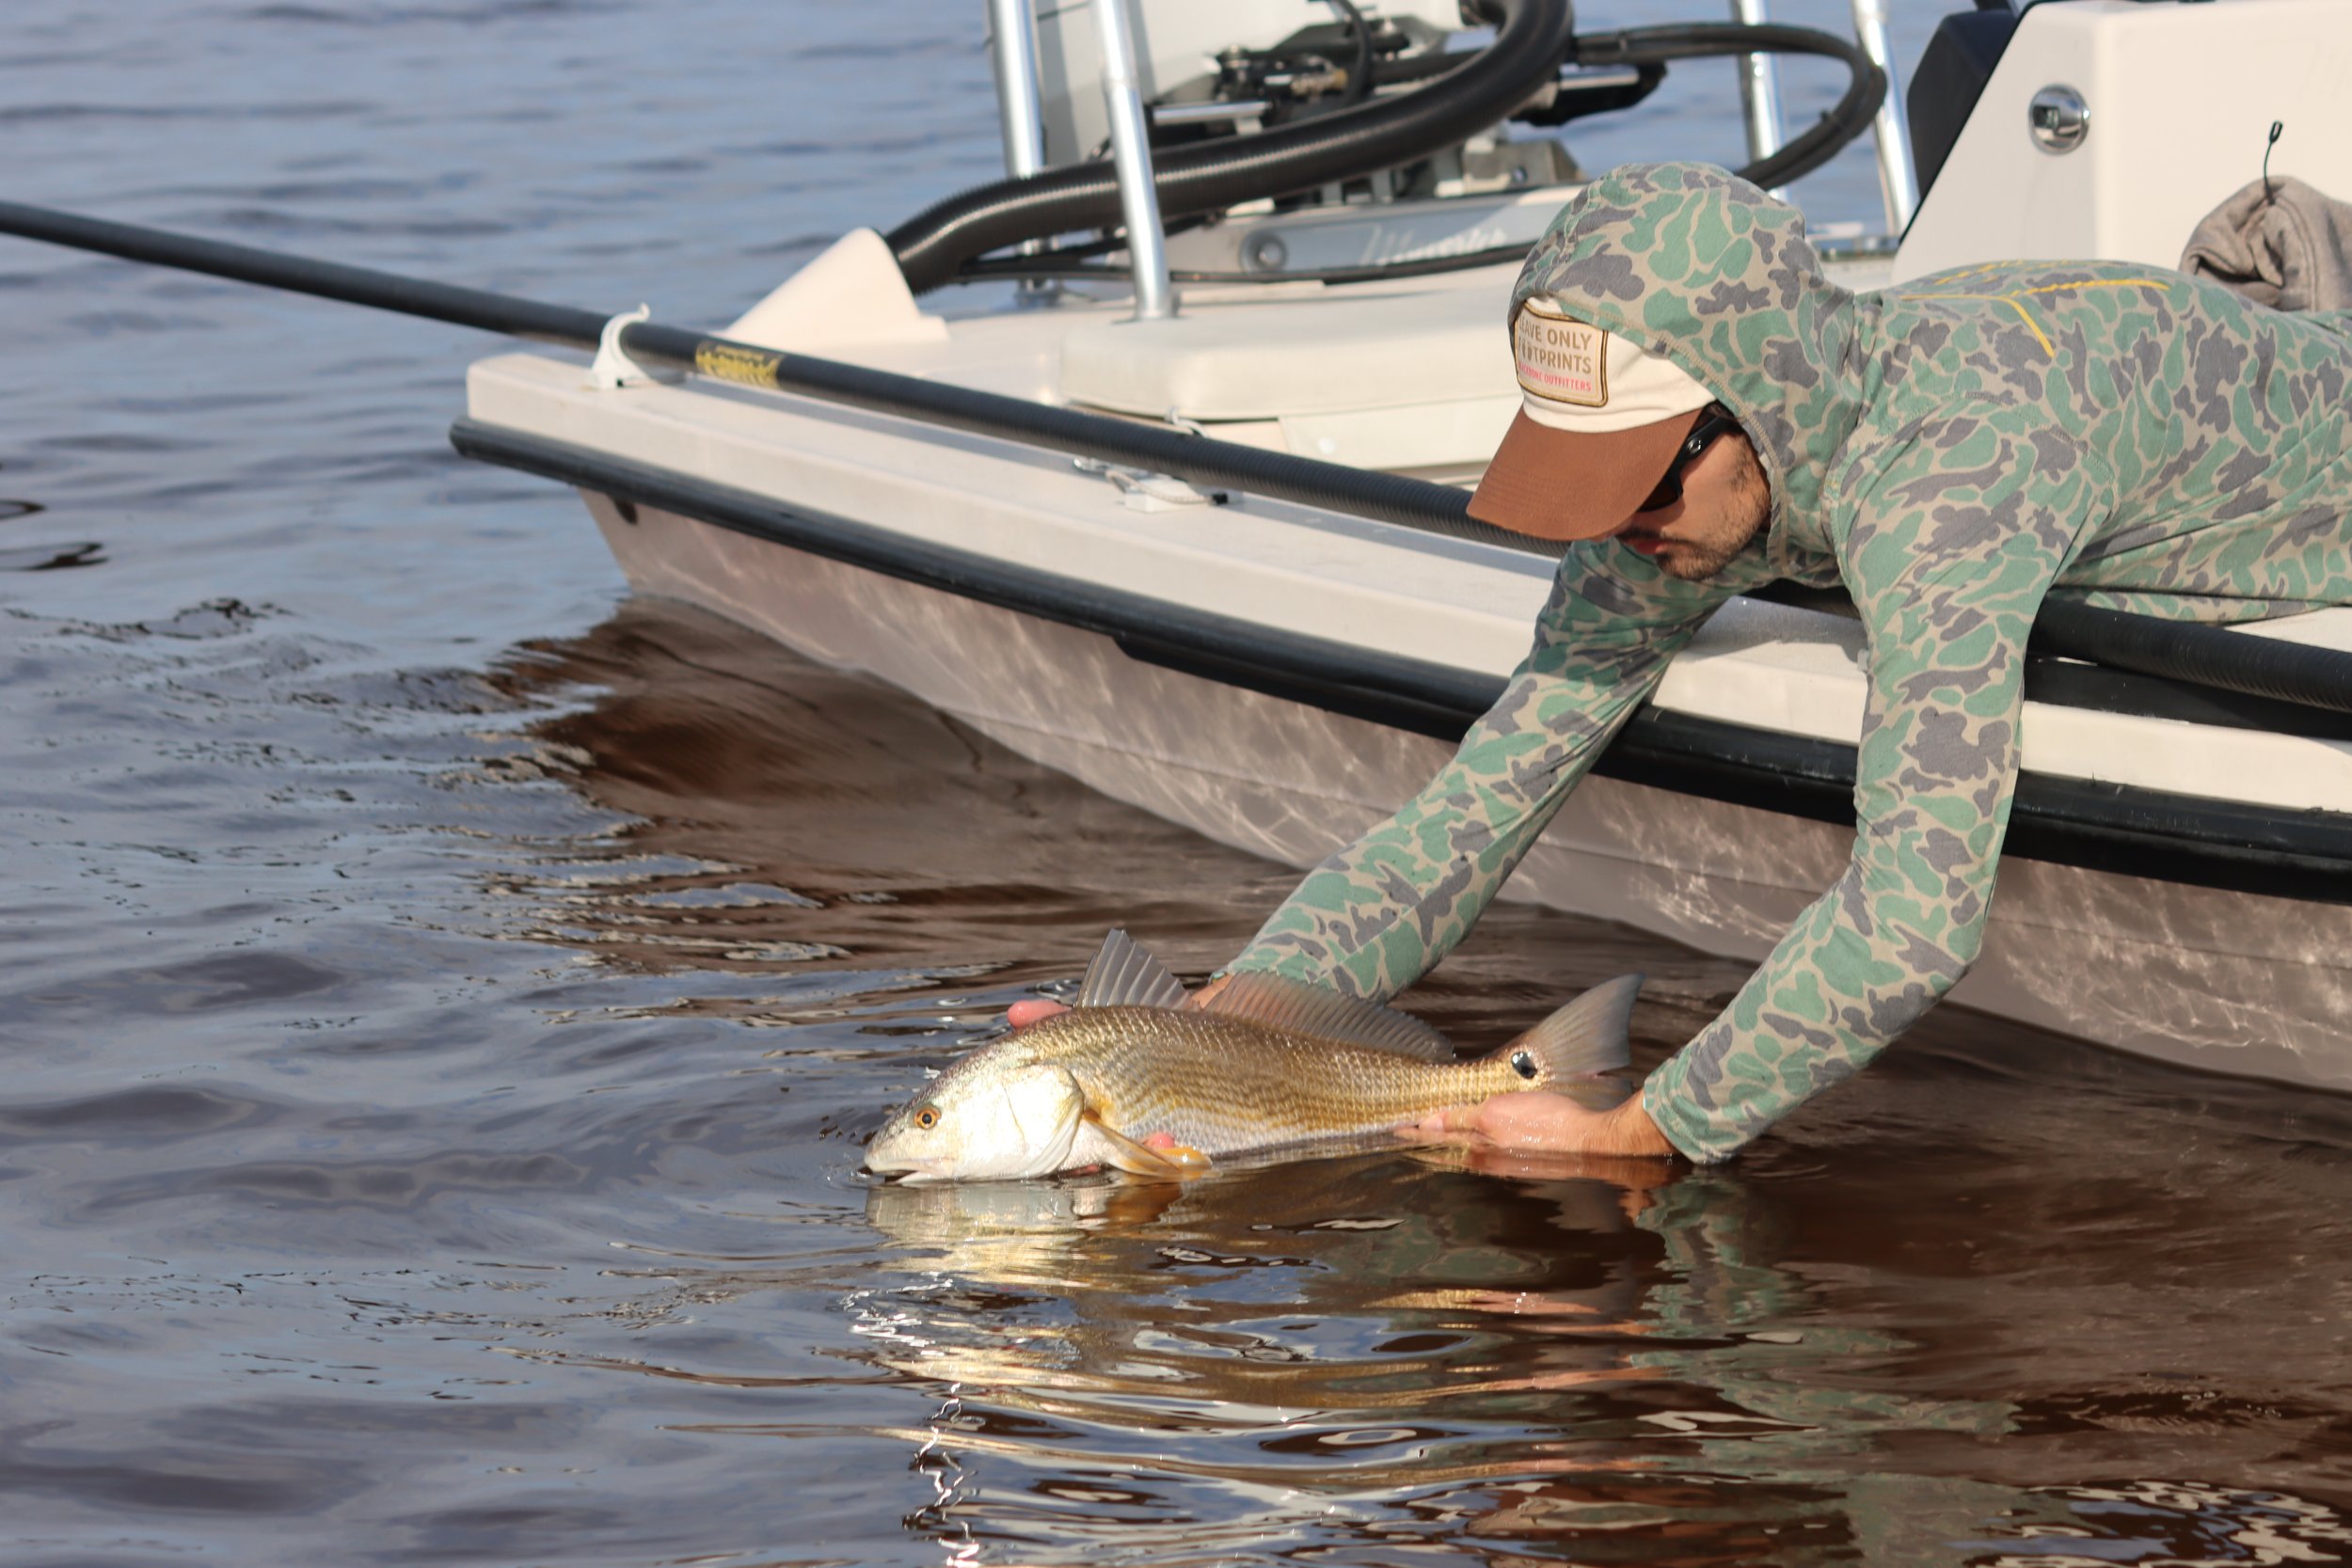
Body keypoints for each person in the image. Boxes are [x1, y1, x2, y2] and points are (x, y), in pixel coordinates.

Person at [1012, 160, 2352, 1164]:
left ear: (1749, 412)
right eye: (1581, 480)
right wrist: (1222, 1025)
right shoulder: (1679, 503)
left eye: (1643, 479)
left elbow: (1916, 918)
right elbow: (1475, 811)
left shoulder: (1950, 490)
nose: (1618, 525)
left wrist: (1650, 1126)